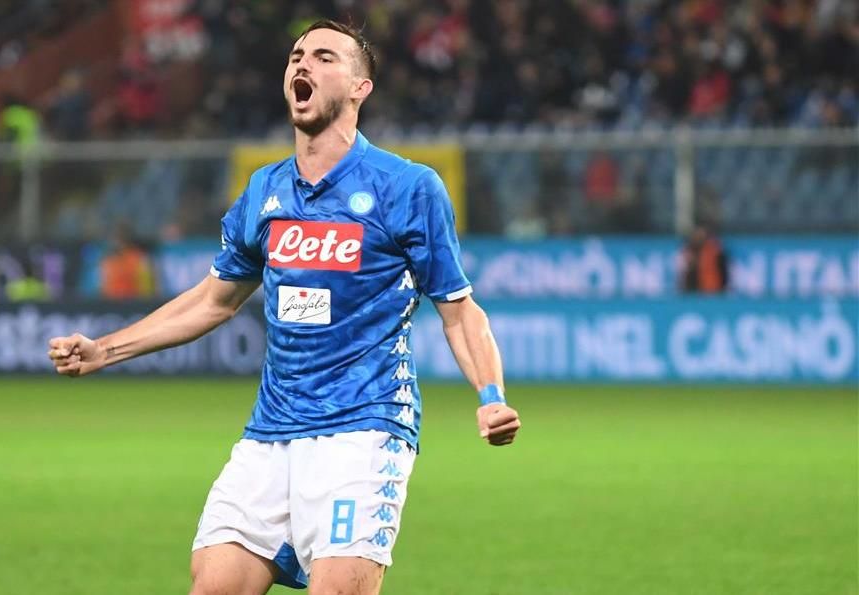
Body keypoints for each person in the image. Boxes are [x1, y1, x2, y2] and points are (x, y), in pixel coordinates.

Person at [47, 20, 520, 595]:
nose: (302, 64)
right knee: (212, 587)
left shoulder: (407, 187)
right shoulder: (264, 190)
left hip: (362, 429)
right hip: (270, 432)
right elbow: (213, 300)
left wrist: (491, 397)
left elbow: (459, 309)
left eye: (324, 57)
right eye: (296, 55)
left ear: (360, 88)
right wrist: (106, 349)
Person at [680, 225, 729, 293]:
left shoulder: (716, 253)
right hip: (698, 291)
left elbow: (724, 273)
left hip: (714, 290)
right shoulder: (690, 253)